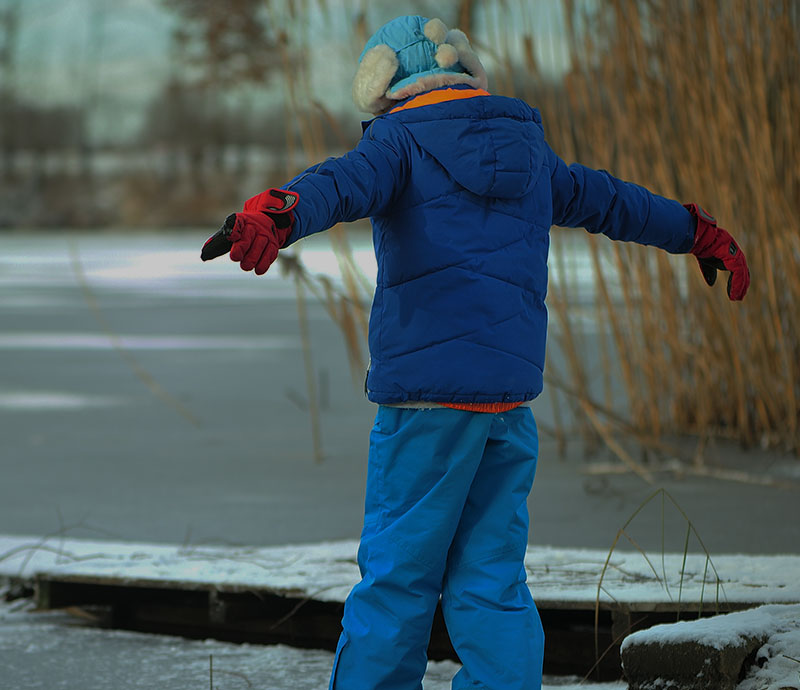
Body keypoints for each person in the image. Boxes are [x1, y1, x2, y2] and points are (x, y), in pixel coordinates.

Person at [202, 15, 750, 690]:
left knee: (399, 578)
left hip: (425, 400)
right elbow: (614, 202)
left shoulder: (397, 143)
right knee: (492, 578)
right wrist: (696, 232)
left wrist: (274, 213)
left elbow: (332, 185)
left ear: (383, 86)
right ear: (467, 73)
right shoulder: (530, 153)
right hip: (506, 400)